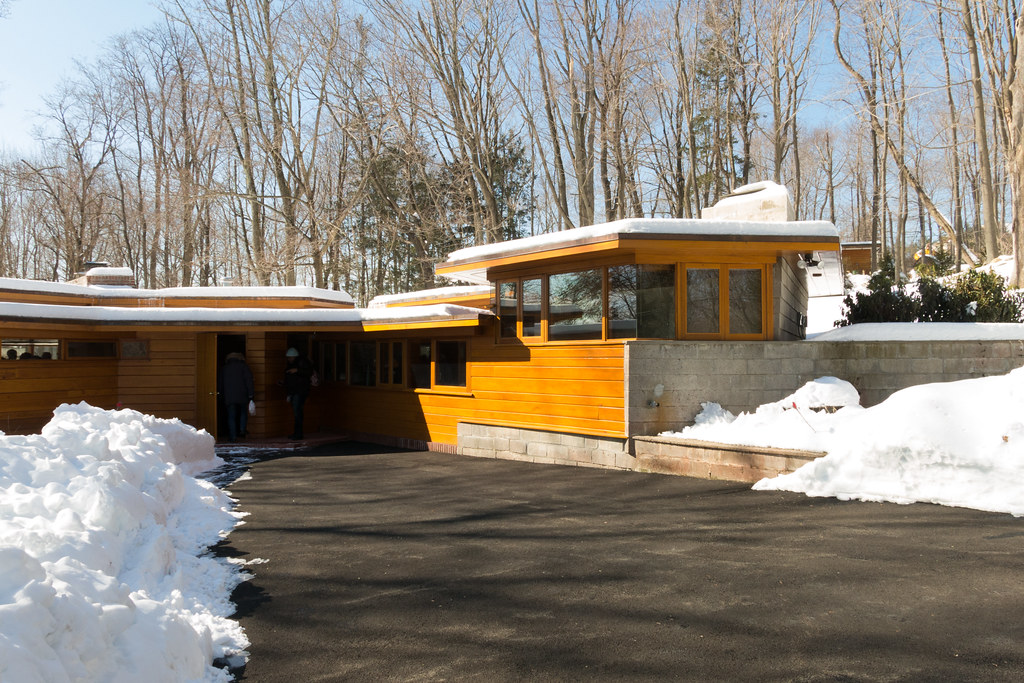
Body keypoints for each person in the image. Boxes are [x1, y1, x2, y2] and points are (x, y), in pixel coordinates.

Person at [221, 351, 254, 442]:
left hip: (229, 396)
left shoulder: (225, 368)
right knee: (243, 412)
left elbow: (221, 383)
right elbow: (249, 381)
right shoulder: (244, 367)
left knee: (231, 416)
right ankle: (242, 430)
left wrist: (221, 395)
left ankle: (233, 436)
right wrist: (251, 395)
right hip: (242, 395)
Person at [283, 347, 313, 440]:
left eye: (290, 357)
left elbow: (309, 372)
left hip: (299, 391)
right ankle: (297, 433)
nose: (289, 359)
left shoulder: (300, 364)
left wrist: (297, 371)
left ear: (294, 356)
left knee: (297, 413)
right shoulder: (293, 364)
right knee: (297, 413)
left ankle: (298, 434)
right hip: (296, 391)